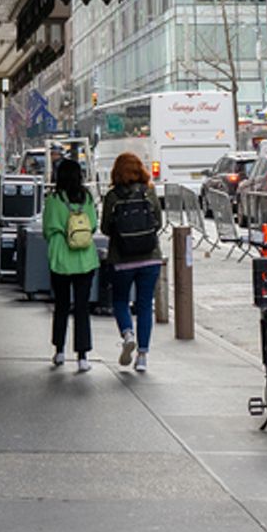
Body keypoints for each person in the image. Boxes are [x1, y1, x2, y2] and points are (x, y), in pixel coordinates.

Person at [100, 151, 163, 374]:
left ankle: (127, 333)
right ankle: (143, 356)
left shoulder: (113, 196)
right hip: (150, 257)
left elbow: (105, 228)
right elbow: (158, 222)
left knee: (120, 300)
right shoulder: (149, 192)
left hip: (122, 259)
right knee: (145, 306)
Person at [43, 156, 99, 371]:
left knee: (61, 305)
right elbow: (92, 226)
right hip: (85, 258)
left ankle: (59, 351)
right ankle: (83, 356)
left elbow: (48, 228)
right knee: (82, 307)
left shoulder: (54, 199)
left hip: (60, 258)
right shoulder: (86, 198)